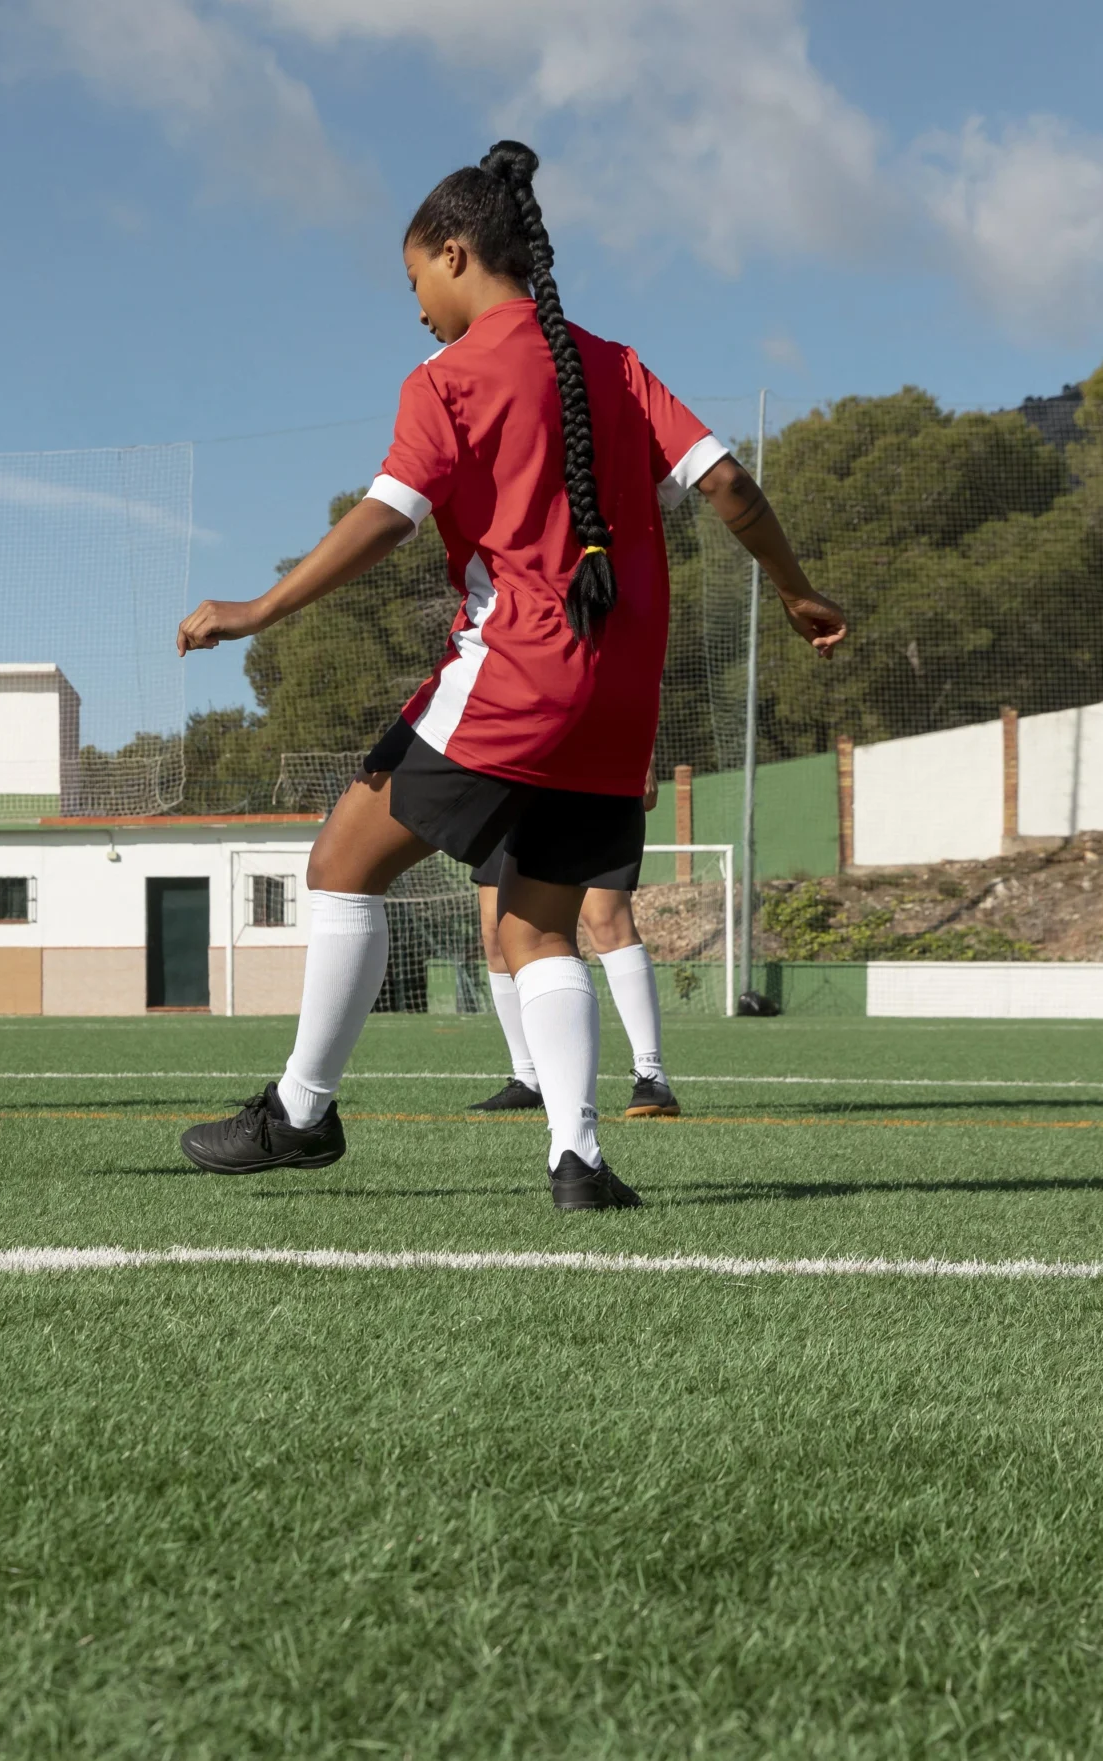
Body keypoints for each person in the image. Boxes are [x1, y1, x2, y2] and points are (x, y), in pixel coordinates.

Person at [174, 142, 844, 1210]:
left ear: (453, 253)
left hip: (514, 679)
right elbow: (726, 484)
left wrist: (256, 611)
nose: (416, 310)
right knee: (537, 924)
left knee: (342, 864)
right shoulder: (614, 363)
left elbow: (384, 519)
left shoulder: (448, 380)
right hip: (620, 704)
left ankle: (302, 1111)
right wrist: (798, 588)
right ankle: (576, 1158)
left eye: (414, 284)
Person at [469, 764, 677, 1120]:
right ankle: (527, 1078)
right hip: (510, 768)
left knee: (606, 919)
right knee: (496, 932)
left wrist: (643, 757)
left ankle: (651, 1073)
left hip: (588, 761)